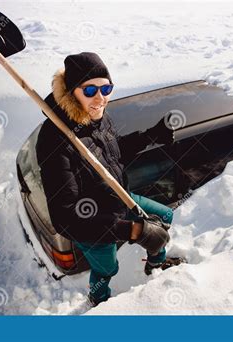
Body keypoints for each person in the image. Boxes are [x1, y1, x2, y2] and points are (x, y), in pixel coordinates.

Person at [36, 52, 184, 306]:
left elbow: (110, 153)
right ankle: (99, 299)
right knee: (107, 269)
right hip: (91, 225)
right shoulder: (55, 141)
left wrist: (151, 136)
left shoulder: (96, 118)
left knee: (165, 217)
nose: (100, 98)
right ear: (72, 92)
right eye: (90, 89)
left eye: (106, 88)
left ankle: (155, 264)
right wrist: (134, 230)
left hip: (120, 198)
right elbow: (65, 219)